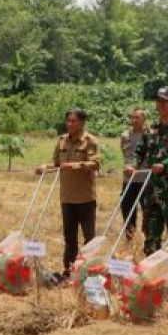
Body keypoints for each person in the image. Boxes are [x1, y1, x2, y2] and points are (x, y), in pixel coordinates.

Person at [129, 86, 168, 280]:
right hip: (151, 189)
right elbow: (139, 152)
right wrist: (132, 165)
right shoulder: (151, 129)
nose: (160, 105)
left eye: (165, 101)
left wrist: (165, 165)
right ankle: (152, 276)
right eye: (158, 101)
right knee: (151, 232)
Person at [36, 108, 100, 281]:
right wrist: (45, 167)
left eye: (74, 121)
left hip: (85, 198)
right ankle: (70, 271)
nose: (70, 124)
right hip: (67, 198)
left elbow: (95, 164)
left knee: (89, 238)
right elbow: (56, 163)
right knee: (69, 237)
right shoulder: (62, 140)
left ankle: (90, 271)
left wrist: (73, 165)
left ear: (82, 122)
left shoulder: (90, 141)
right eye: (68, 121)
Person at [118, 108, 148, 240]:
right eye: (132, 117)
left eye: (137, 117)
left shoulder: (150, 134)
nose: (134, 120)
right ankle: (130, 236)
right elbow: (125, 155)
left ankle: (147, 236)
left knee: (147, 209)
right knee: (127, 207)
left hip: (146, 178)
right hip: (129, 179)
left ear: (144, 119)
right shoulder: (125, 135)